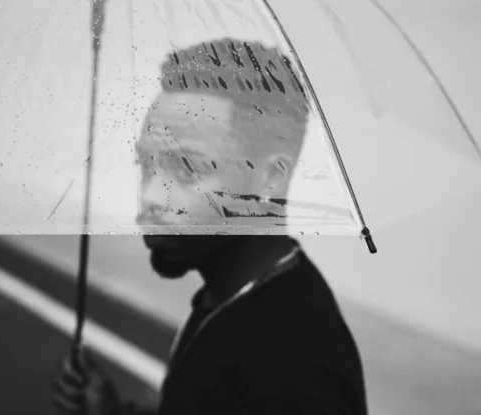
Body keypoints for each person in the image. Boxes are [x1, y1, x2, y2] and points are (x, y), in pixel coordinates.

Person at [53, 38, 368, 415]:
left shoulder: (291, 380)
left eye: (187, 168)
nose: (152, 196)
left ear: (269, 178)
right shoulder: (230, 294)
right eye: (147, 164)